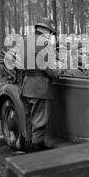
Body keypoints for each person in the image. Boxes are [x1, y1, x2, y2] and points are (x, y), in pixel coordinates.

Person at [19, 17, 61, 152]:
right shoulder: (45, 43)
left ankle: (28, 151)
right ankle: (37, 156)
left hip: (26, 85)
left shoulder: (25, 41)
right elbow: (49, 68)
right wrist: (59, 72)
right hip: (40, 87)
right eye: (50, 32)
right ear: (47, 30)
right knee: (39, 123)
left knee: (29, 121)